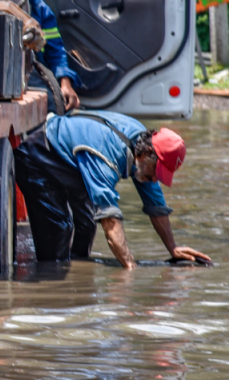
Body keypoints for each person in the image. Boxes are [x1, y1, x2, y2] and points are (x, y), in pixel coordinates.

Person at [14, 109, 211, 269]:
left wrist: (173, 248)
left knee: (86, 224)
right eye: (156, 172)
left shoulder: (141, 146)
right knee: (60, 229)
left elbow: (156, 206)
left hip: (74, 164)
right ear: (148, 152)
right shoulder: (108, 155)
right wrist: (129, 267)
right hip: (37, 157)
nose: (154, 179)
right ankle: (51, 279)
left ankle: (77, 272)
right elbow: (110, 220)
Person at [23, 0, 82, 112]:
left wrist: (65, 83)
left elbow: (55, 52)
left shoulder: (41, 11)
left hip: (32, 75)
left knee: (52, 106)